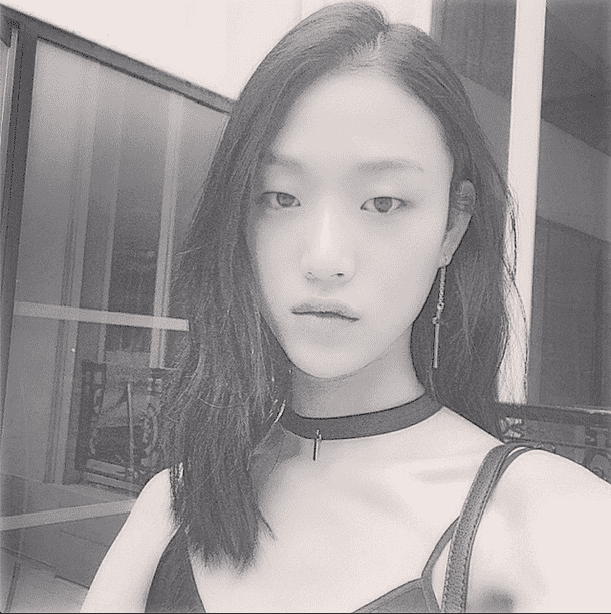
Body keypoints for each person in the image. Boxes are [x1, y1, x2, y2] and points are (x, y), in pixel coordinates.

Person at [81, 3, 611, 612]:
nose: (325, 259)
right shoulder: (175, 503)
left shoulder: (550, 523)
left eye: (383, 203)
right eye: (280, 197)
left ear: (452, 226)